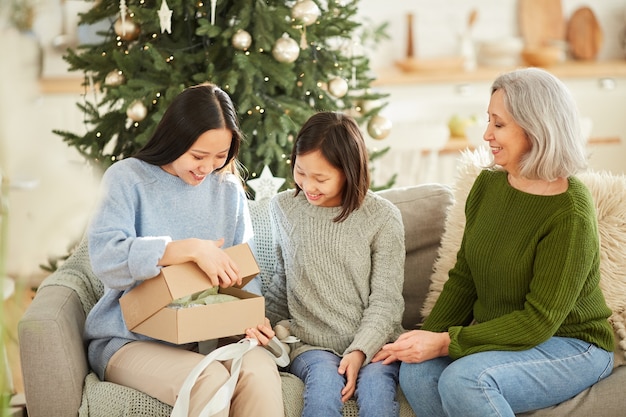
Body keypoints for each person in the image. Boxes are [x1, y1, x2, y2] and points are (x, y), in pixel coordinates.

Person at [374, 67, 615, 417]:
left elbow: (538, 322)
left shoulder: (570, 211)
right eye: (489, 121)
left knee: (464, 380)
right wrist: (424, 338)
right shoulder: (487, 186)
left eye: (498, 124)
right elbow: (464, 278)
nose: (486, 134)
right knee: (418, 370)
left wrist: (445, 342)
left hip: (571, 345)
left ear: (535, 128)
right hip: (504, 341)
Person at [83, 83, 284, 417]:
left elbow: (242, 273)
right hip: (127, 341)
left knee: (260, 371)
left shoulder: (227, 189)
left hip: (208, 336)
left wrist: (249, 319)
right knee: (210, 381)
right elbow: (106, 259)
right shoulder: (126, 179)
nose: (207, 168)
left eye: (221, 157)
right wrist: (186, 250)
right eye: (198, 155)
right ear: (174, 139)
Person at [262, 111, 406, 417]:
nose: (308, 185)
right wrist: (258, 323)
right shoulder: (284, 208)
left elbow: (387, 301)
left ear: (349, 171)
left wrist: (360, 350)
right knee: (323, 390)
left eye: (321, 177)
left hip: (376, 340)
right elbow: (281, 282)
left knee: (376, 393)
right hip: (311, 345)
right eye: (301, 171)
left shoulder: (382, 217)